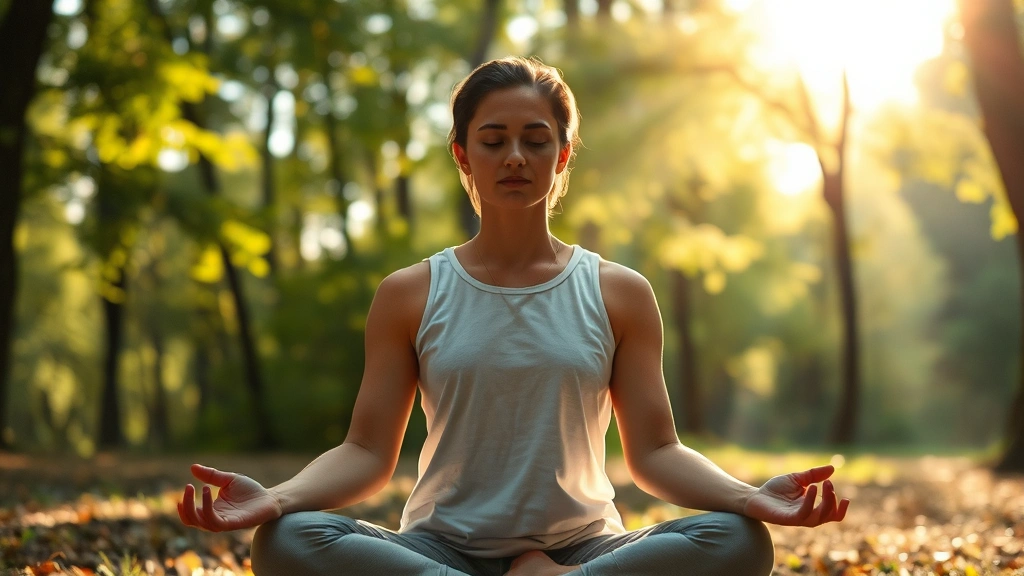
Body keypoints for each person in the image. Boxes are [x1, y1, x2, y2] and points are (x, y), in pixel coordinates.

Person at [177, 56, 850, 576]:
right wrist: (280, 499)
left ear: (561, 158)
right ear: (463, 156)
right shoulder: (410, 293)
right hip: (439, 553)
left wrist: (747, 499)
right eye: (493, 140)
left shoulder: (620, 293)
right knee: (287, 542)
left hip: (583, 550)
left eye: (536, 140)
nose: (515, 157)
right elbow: (364, 453)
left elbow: (657, 452)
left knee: (736, 541)